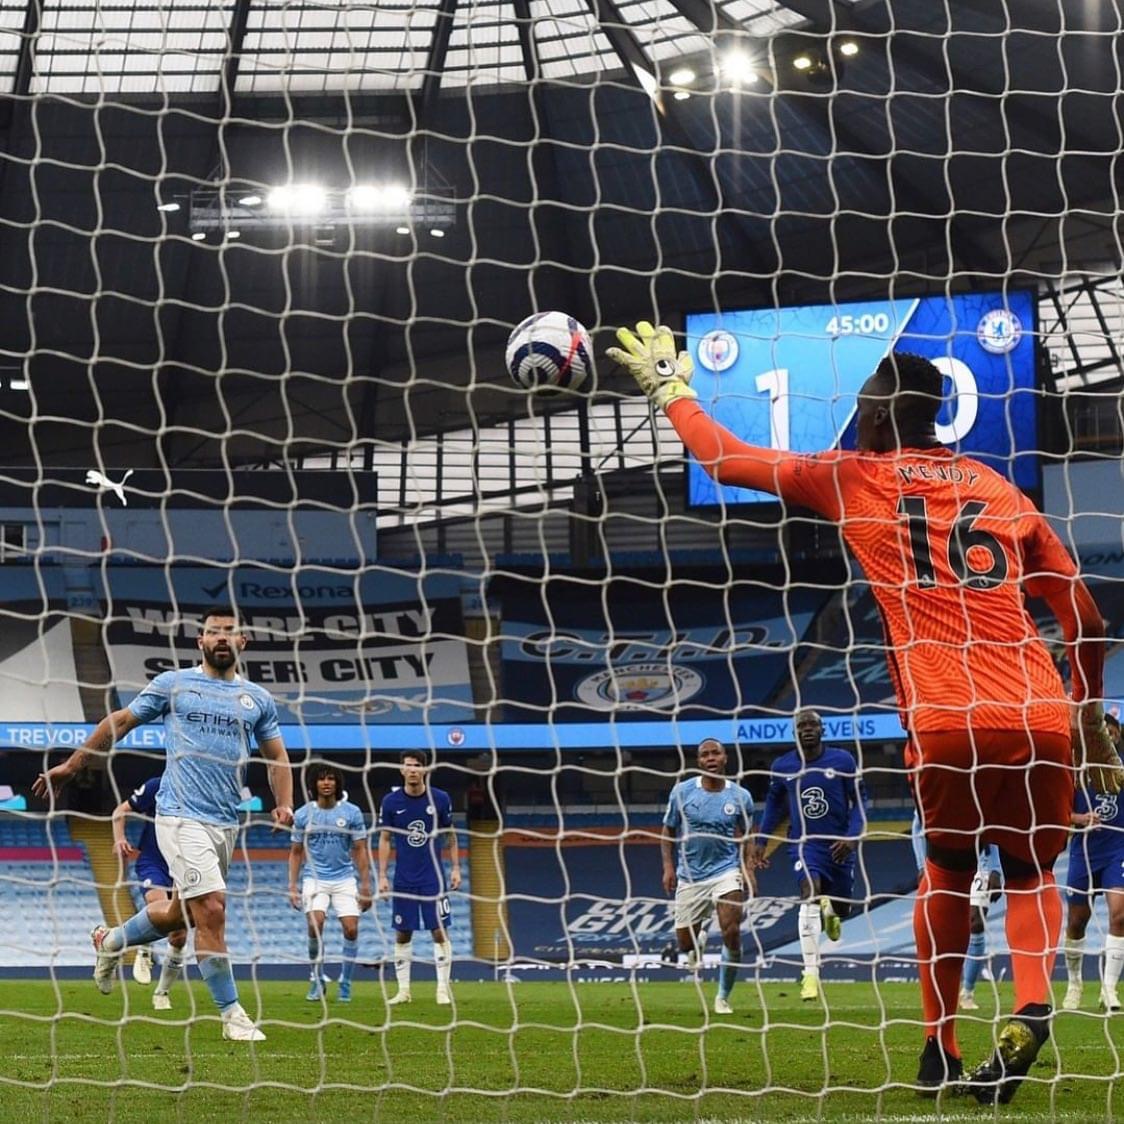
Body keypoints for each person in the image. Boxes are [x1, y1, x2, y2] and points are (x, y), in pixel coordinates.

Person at [607, 323, 1121, 1102]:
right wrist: (1085, 713)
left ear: (879, 419)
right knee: (1029, 873)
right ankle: (1030, 1006)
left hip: (948, 717)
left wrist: (672, 391)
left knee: (948, 872)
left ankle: (937, 1049)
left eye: (861, 406)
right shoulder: (999, 489)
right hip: (1040, 711)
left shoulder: (854, 476)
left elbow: (725, 460)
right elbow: (1082, 614)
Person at [33, 605, 294, 1042]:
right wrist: (73, 765)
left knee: (181, 916)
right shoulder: (174, 684)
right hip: (177, 814)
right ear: (201, 641)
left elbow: (277, 757)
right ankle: (233, 1016)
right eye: (214, 632)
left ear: (243, 642)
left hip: (223, 822)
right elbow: (120, 721)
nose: (222, 638)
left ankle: (113, 940)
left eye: (231, 632)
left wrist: (284, 803)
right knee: (211, 908)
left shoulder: (257, 700)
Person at [753, 709, 868, 1003]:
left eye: (812, 724)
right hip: (804, 844)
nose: (806, 729)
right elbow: (774, 806)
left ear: (822, 730)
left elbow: (860, 803)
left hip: (839, 846)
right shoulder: (783, 765)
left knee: (842, 910)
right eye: (801, 725)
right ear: (795, 732)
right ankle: (810, 975)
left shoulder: (843, 760)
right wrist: (761, 841)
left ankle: (832, 913)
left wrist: (851, 838)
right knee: (809, 892)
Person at [660, 738, 756, 1015]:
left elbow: (749, 834)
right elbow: (668, 832)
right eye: (705, 754)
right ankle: (697, 940)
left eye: (716, 753)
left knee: (732, 929)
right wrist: (668, 867)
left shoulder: (741, 796)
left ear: (725, 758)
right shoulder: (682, 792)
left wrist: (748, 869)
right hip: (690, 875)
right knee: (685, 943)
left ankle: (722, 997)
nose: (711, 758)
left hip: (725, 871)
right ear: (699, 761)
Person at [377, 750, 461, 1006]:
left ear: (424, 770)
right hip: (404, 878)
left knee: (439, 931)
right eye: (408, 766)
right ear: (401, 770)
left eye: (417, 766)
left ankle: (443, 990)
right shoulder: (391, 802)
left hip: (433, 878)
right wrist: (381, 874)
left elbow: (451, 834)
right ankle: (404, 991)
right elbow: (385, 838)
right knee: (403, 933)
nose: (412, 770)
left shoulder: (440, 799)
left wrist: (456, 868)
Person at [288, 763, 372, 1003]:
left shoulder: (352, 813)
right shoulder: (304, 814)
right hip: (314, 878)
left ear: (337, 784)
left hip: (344, 879)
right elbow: (295, 853)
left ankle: (345, 983)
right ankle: (316, 979)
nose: (326, 783)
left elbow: (360, 849)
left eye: (331, 779)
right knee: (316, 924)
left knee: (351, 929)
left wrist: (366, 886)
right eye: (321, 779)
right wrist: (292, 887)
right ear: (314, 784)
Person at [1063, 713, 1124, 1014]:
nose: (1109, 736)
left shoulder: (1121, 770)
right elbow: (1056, 813)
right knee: (1077, 922)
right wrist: (1080, 819)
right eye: (1104, 731)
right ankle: (1075, 983)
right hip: (1083, 853)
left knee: (1120, 915)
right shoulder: (1074, 772)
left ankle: (1109, 990)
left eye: (1113, 732)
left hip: (1118, 850)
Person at [110, 775, 188, 1009]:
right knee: (158, 904)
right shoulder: (158, 785)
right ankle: (145, 947)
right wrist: (120, 838)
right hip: (153, 862)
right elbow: (120, 811)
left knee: (179, 935)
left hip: (184, 865)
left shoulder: (202, 789)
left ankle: (162, 992)